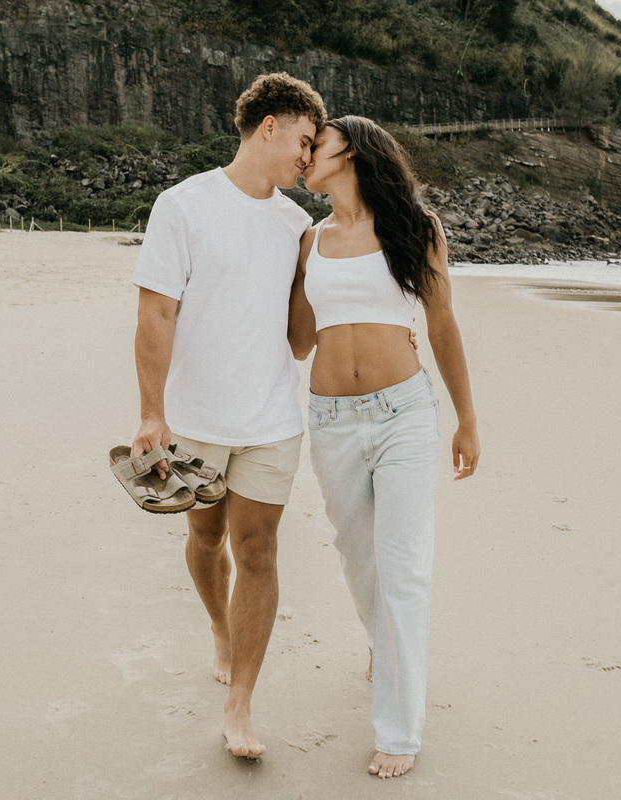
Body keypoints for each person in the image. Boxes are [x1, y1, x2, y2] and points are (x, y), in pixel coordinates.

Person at [129, 72, 326, 758]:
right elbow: (155, 313)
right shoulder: (182, 205)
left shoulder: (299, 225)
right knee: (206, 538)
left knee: (259, 552)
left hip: (272, 420)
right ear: (268, 125)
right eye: (304, 141)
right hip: (197, 420)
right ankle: (219, 624)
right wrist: (152, 412)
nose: (310, 157)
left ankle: (240, 702)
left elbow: (300, 340)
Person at [288, 115, 481, 778]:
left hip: (405, 414)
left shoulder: (415, 228)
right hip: (332, 417)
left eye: (320, 141)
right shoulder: (309, 240)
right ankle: (384, 644)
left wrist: (466, 420)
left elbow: (443, 323)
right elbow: (296, 340)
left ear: (355, 149)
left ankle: (399, 728)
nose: (308, 153)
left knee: (401, 567)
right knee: (356, 553)